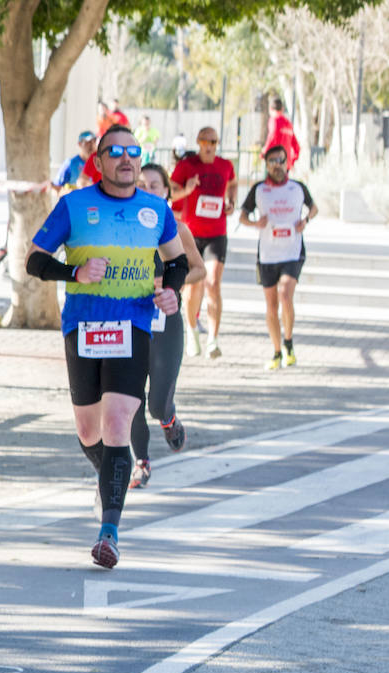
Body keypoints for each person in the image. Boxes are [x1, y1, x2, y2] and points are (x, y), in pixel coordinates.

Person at [26, 124, 189, 568]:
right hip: (83, 325)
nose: (126, 159)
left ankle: (109, 533)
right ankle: (109, 478)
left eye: (133, 153)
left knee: (118, 424)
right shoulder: (74, 206)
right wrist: (73, 274)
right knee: (88, 430)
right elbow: (35, 260)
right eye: (115, 152)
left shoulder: (156, 211)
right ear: (97, 162)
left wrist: (171, 291)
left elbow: (178, 261)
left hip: (132, 323)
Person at [129, 163, 207, 489]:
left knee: (157, 401)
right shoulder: (123, 229)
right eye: (141, 184)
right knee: (129, 397)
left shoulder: (176, 228)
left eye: (155, 185)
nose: (148, 190)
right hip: (131, 321)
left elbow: (200, 270)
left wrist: (170, 285)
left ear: (166, 192)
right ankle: (141, 463)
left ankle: (169, 418)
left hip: (166, 322)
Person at [239, 145, 318, 371]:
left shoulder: (297, 187)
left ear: (287, 162)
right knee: (271, 305)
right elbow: (242, 215)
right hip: (267, 254)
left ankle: (289, 343)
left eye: (280, 160)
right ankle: (276, 351)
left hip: (292, 251)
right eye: (272, 161)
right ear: (267, 165)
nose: (277, 164)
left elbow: (314, 208)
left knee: (285, 294)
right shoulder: (259, 189)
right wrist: (256, 224)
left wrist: (305, 221)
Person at [169, 125, 235, 359]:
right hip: (191, 234)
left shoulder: (226, 166)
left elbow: (233, 184)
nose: (209, 146)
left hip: (217, 232)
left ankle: (213, 340)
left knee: (213, 283)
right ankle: (193, 330)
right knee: (192, 286)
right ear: (198, 142)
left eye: (213, 142)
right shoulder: (186, 166)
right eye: (205, 142)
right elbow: (170, 193)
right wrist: (187, 190)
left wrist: (231, 201)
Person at [263, 98, 301, 171]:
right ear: (282, 109)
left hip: (275, 164)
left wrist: (264, 153)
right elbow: (297, 147)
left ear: (270, 108)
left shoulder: (274, 120)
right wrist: (291, 161)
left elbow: (272, 137)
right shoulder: (288, 123)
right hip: (286, 164)